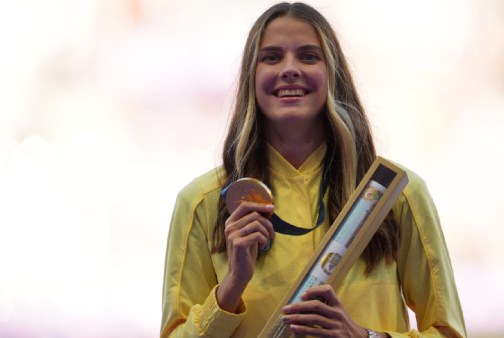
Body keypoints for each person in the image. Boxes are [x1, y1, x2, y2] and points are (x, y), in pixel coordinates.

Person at [161, 2, 466, 337]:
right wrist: (231, 287)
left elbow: (449, 331)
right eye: (272, 57)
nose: (289, 69)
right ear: (251, 77)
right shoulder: (202, 203)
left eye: (308, 56)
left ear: (333, 75)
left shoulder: (393, 196)